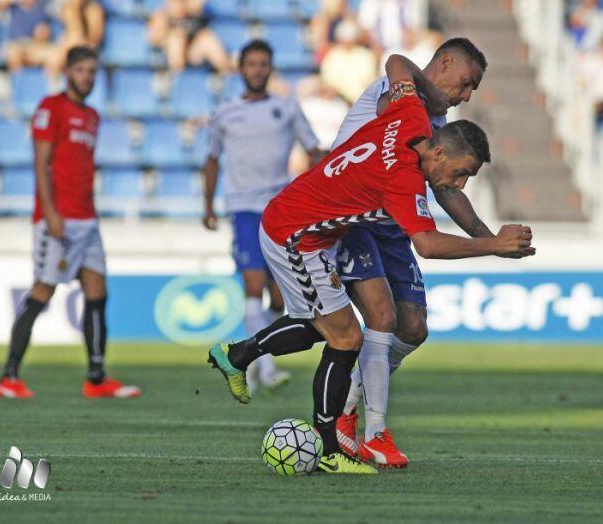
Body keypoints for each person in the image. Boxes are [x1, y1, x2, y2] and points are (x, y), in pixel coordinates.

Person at [206, 59, 535, 474]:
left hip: (310, 230)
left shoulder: (410, 112)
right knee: (345, 338)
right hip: (294, 234)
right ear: (438, 152)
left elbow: (396, 63)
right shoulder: (401, 180)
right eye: (461, 173)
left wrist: (429, 94)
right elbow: (428, 245)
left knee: (324, 326)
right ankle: (328, 451)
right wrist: (492, 245)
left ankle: (237, 355)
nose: (460, 184)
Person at [330, 38, 502, 468]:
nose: (465, 96)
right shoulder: (398, 96)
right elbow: (397, 62)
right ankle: (373, 432)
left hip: (390, 223)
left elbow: (444, 189)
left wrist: (490, 239)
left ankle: (348, 408)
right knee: (382, 318)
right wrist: (427, 93)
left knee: (413, 327)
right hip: (352, 216)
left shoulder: (438, 121)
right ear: (445, 62)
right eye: (466, 84)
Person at [0, 46, 141, 400]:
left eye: (92, 71)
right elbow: (41, 165)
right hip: (57, 220)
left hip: (87, 220)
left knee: (97, 293)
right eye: (81, 71)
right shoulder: (50, 108)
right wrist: (51, 213)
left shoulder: (92, 115)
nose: (87, 77)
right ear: (68, 72)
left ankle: (96, 377)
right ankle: (9, 377)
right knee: (42, 292)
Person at [202, 40, 321, 393]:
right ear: (240, 68)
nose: (256, 70)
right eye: (251, 63)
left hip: (280, 210)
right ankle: (266, 369)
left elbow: (314, 151)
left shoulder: (286, 108)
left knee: (280, 299)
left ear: (270, 68)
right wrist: (208, 205)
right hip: (243, 209)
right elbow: (211, 159)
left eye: (262, 64)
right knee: (253, 286)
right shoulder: (225, 112)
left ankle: (247, 358)